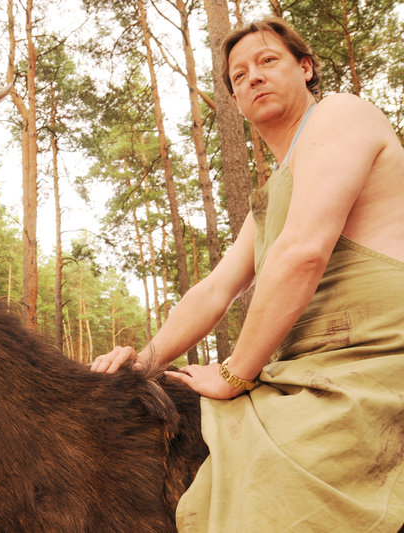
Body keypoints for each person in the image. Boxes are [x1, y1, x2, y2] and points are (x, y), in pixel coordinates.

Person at [91, 18, 404, 532]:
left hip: (376, 361)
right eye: (238, 76)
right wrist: (143, 362)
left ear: (306, 68)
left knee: (268, 488)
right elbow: (215, 289)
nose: (253, 76)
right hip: (307, 371)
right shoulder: (273, 193)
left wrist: (235, 371)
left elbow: (303, 253)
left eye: (267, 60)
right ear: (236, 101)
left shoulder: (342, 114)